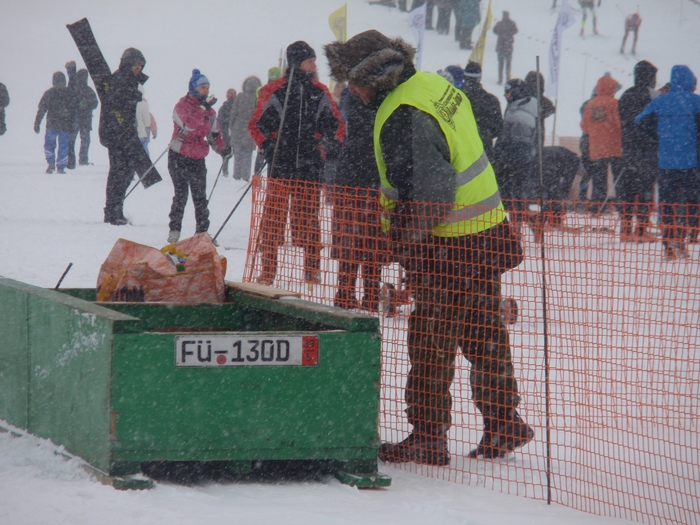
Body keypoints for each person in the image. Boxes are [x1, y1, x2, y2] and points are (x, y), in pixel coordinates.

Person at [325, 29, 530, 464]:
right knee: (484, 332)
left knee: (430, 340)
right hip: (485, 233)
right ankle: (504, 422)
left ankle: (428, 435)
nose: (352, 90)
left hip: (446, 246)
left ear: (374, 76)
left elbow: (431, 199)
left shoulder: (402, 113)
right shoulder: (433, 85)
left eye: (353, 80)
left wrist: (403, 242)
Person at [249, 41, 344, 286]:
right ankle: (268, 270)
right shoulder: (274, 90)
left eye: (313, 60)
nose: (313, 65)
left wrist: (323, 150)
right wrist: (268, 146)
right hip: (281, 165)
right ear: (296, 62)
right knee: (273, 221)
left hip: (310, 166)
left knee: (310, 220)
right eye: (309, 61)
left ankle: (312, 270)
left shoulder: (319, 91)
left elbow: (338, 127)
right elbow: (256, 124)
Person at [328, 87, 385, 312]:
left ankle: (355, 295)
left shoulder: (354, 99)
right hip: (364, 179)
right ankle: (356, 295)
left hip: (358, 179)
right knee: (364, 243)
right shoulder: (364, 100)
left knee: (358, 243)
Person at [635, 65, 700, 259]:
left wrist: (658, 136)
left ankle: (668, 243)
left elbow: (639, 121)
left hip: (666, 162)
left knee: (668, 204)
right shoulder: (695, 102)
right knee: (689, 204)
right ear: (690, 81)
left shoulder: (660, 102)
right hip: (691, 163)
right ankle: (684, 239)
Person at [99, 47, 160, 225]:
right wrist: (133, 97)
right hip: (118, 135)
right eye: (135, 65)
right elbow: (116, 106)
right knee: (120, 173)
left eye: (140, 66)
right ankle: (113, 210)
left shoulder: (129, 81)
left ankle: (115, 209)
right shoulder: (121, 80)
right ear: (127, 64)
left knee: (124, 173)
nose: (138, 69)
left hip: (124, 134)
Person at [166, 70, 228, 244]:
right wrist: (202, 109)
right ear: (193, 88)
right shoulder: (181, 106)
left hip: (198, 157)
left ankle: (202, 232)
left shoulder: (210, 112)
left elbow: (214, 133)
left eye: (208, 88)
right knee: (181, 194)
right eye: (202, 87)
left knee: (200, 196)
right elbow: (189, 126)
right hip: (179, 155)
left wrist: (222, 149)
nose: (206, 91)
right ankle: (175, 230)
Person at [617, 60, 658, 242]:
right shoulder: (653, 95)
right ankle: (641, 231)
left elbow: (622, 119)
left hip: (628, 148)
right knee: (645, 191)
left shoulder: (626, 94)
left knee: (627, 190)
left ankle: (625, 229)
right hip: (648, 150)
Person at [491, 78, 539, 228]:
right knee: (515, 197)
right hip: (515, 162)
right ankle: (523, 223)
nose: (505, 95)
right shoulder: (517, 109)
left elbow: (519, 146)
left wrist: (505, 159)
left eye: (508, 91)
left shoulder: (521, 115)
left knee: (514, 197)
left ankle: (524, 224)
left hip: (515, 164)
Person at [580, 74, 623, 214]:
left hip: (597, 148)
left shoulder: (590, 104)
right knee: (618, 179)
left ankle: (597, 207)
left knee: (599, 180)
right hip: (614, 147)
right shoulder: (614, 103)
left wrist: (596, 132)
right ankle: (622, 207)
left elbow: (584, 127)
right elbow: (619, 124)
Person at [454, 62, 502, 160]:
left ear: (464, 76)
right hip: (484, 151)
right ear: (479, 78)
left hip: (459, 150)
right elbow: (498, 130)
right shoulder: (491, 100)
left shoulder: (456, 98)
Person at [34, 71, 73, 174]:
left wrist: (37, 122)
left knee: (50, 145)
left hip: (53, 124)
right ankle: (60, 167)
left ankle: (52, 164)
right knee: (63, 146)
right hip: (64, 125)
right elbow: (74, 110)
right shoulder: (69, 93)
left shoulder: (49, 93)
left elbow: (42, 109)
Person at [228, 76, 260, 181]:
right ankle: (245, 177)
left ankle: (236, 176)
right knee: (247, 155)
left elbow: (233, 113)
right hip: (250, 131)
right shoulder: (257, 98)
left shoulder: (240, 96)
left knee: (238, 156)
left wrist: (231, 127)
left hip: (238, 129)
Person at [68, 69, 98, 166]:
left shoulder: (74, 89)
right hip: (83, 119)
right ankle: (82, 159)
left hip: (78, 118)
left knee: (74, 140)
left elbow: (95, 103)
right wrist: (86, 105)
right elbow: (95, 103)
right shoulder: (87, 90)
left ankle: (72, 159)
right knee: (83, 140)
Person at [524, 71, 555, 145]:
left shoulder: (523, 99)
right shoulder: (541, 100)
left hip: (524, 132)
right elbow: (549, 109)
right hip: (538, 131)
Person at [492, 11, 518, 85]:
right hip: (508, 47)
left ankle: (500, 79)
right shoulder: (512, 23)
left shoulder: (499, 23)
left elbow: (494, 31)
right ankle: (507, 79)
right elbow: (516, 31)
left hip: (500, 47)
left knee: (500, 64)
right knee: (508, 65)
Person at [217, 88, 236, 176]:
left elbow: (219, 121)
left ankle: (225, 171)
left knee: (226, 154)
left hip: (226, 134)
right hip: (237, 133)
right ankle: (238, 173)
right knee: (238, 154)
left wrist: (222, 131)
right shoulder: (239, 106)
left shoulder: (223, 107)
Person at [135, 85, 153, 156]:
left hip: (130, 135)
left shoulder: (127, 104)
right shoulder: (143, 105)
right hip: (141, 134)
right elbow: (147, 122)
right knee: (145, 154)